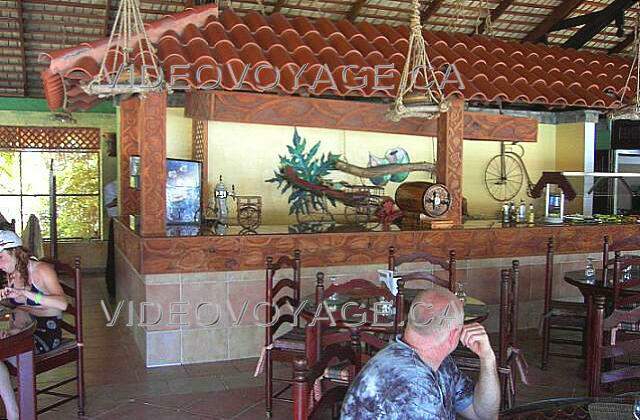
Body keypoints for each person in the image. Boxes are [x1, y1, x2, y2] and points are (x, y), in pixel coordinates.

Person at [340, 288, 500, 420]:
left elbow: (484, 415)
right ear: (453, 336)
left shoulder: (439, 363)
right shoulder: (413, 386)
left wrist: (487, 358)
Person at [0, 230, 68, 420]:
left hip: (46, 333)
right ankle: (13, 411)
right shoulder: (12, 274)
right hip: (23, 329)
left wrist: (28, 294)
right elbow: (20, 310)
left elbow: (61, 304)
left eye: (1, 257)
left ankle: (17, 413)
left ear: (14, 251)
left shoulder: (41, 270)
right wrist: (8, 302)